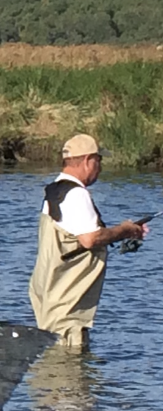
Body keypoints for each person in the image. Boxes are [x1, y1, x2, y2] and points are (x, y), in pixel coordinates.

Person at [28, 133, 146, 348]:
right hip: (67, 305)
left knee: (51, 371)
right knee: (70, 371)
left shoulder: (55, 191)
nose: (100, 167)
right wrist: (124, 230)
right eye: (98, 161)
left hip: (52, 297)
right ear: (87, 160)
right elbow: (90, 239)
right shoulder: (76, 195)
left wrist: (124, 231)